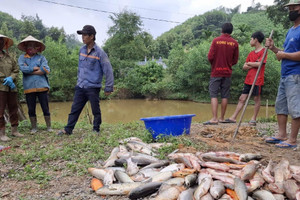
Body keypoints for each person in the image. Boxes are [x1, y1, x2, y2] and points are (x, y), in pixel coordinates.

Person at [57, 25, 114, 135]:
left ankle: (96, 129)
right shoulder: (81, 50)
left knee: (95, 110)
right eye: (82, 35)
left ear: (92, 36)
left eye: (85, 35)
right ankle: (68, 129)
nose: (82, 37)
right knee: (75, 109)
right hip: (81, 85)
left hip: (93, 87)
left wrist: (108, 87)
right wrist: (78, 81)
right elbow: (80, 68)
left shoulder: (100, 53)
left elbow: (108, 70)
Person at [265, 0, 300, 148]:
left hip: (296, 75)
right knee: (281, 105)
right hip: (285, 74)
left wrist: (284, 55)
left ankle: (292, 140)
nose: (290, 10)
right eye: (289, 8)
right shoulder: (291, 30)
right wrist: (274, 48)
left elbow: (291, 55)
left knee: (295, 108)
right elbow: (284, 53)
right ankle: (281, 134)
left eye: (294, 7)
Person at [223, 31, 267, 126]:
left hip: (257, 79)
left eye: (251, 39)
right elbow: (244, 66)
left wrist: (250, 63)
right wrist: (253, 63)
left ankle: (253, 119)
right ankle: (233, 117)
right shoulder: (251, 53)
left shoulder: (264, 51)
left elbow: (260, 64)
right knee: (242, 98)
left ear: (256, 40)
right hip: (248, 79)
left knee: (256, 98)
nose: (250, 41)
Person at [204, 23, 239, 125]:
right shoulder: (235, 43)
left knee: (214, 94)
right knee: (225, 95)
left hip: (216, 72)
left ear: (222, 30)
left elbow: (210, 56)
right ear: (231, 31)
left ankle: (214, 118)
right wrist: (228, 65)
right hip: (227, 72)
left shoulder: (216, 40)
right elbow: (235, 60)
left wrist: (214, 65)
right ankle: (222, 118)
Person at [18, 35, 52, 133]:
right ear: (25, 47)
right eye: (28, 46)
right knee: (31, 108)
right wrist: (35, 68)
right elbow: (23, 69)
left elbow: (45, 69)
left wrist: (30, 70)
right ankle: (34, 127)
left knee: (45, 107)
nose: (30, 48)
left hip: (42, 86)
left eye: (32, 46)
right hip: (29, 87)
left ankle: (49, 126)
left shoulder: (41, 57)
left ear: (37, 47)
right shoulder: (22, 58)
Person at [0, 34, 23, 141]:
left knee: (13, 108)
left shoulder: (9, 57)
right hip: (1, 88)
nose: (0, 43)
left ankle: (14, 130)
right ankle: (2, 133)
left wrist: (11, 78)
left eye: (1, 41)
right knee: (0, 110)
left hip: (12, 88)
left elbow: (16, 69)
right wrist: (5, 79)